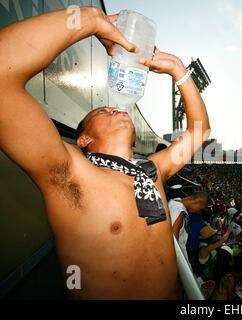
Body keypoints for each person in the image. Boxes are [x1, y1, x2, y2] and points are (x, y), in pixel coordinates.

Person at [0, 7, 210, 299]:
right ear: (84, 139)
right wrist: (88, 20)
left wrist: (178, 70)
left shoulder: (153, 171)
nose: (114, 108)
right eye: (102, 110)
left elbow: (200, 132)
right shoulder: (69, 174)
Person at [168, 191, 209, 261]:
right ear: (197, 202)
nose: (198, 212)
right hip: (177, 258)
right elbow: (173, 242)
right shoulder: (179, 210)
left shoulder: (175, 201)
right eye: (201, 209)